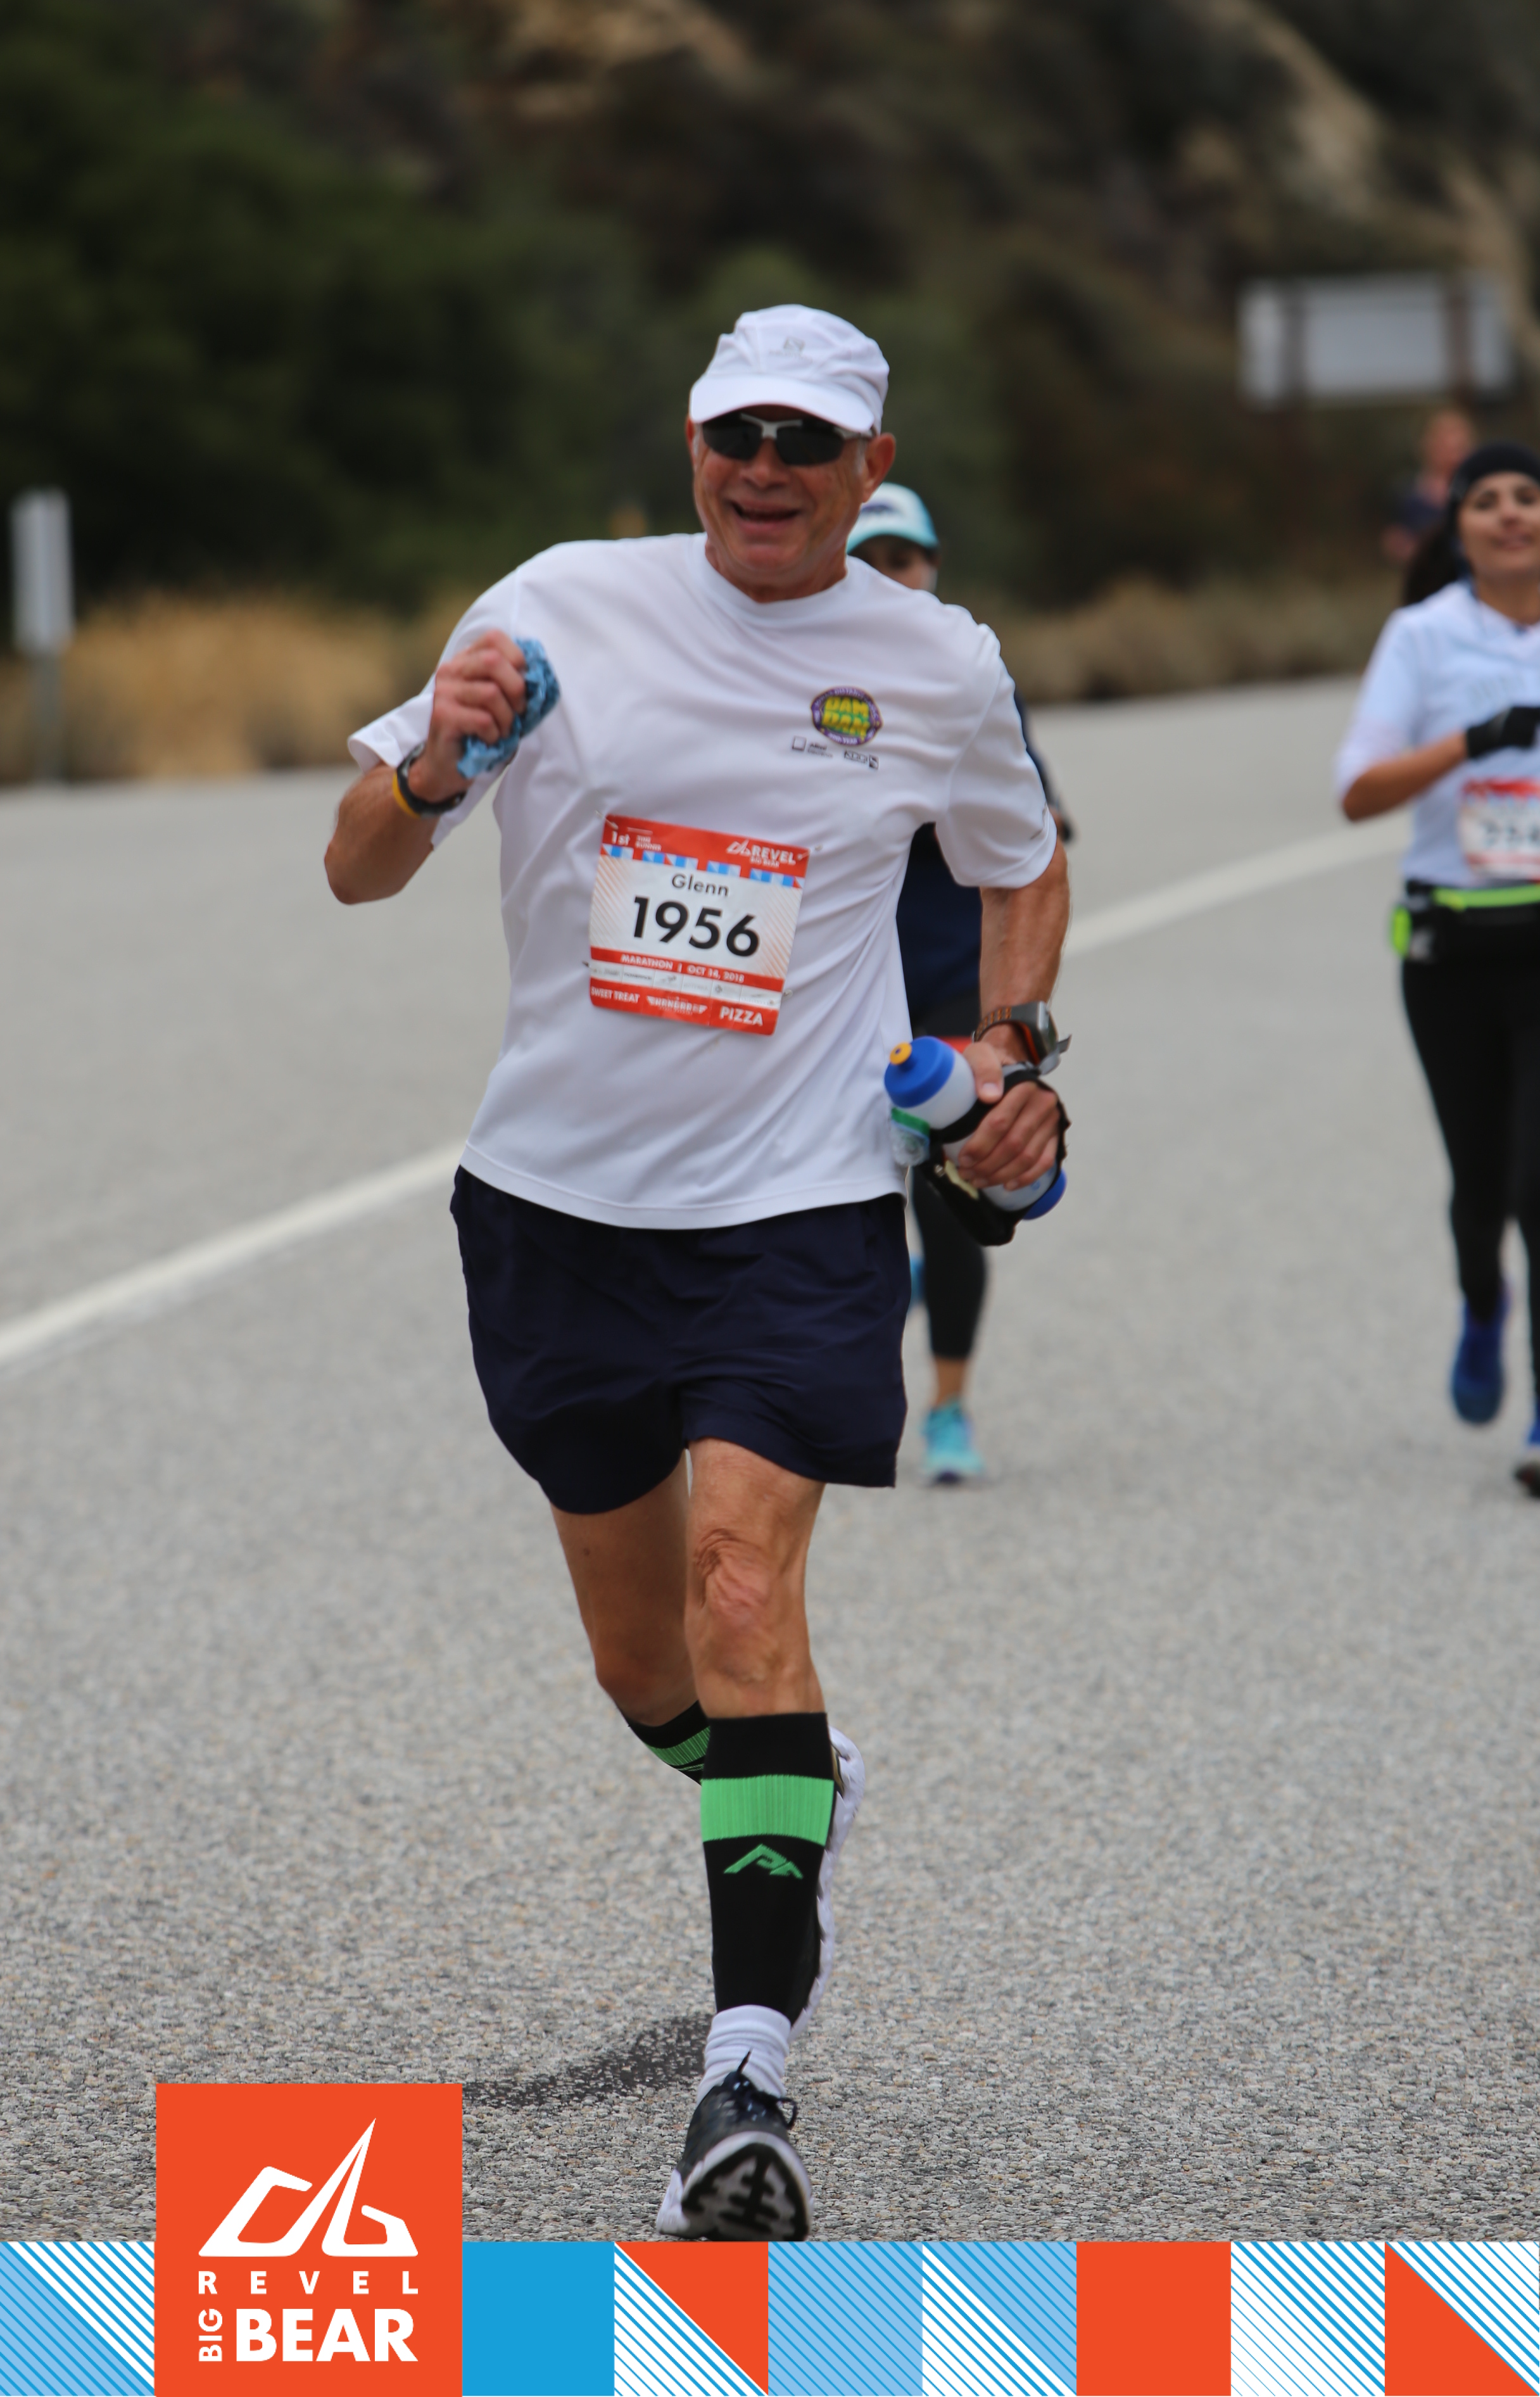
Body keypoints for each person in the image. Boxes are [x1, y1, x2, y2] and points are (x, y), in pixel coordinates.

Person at [324, 303, 1070, 2236]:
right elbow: (356, 864)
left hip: (799, 1204)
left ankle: (745, 2085)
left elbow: (1020, 853)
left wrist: (1007, 1051)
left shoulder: (934, 661)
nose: (767, 469)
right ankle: (790, 1775)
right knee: (650, 1666)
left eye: (809, 444)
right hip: (554, 1207)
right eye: (740, 433)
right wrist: (435, 767)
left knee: (746, 1587)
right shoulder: (561, 605)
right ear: (690, 441)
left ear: (868, 469)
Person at [847, 482, 1073, 1483]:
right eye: (867, 559)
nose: (887, 575)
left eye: (903, 558)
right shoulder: (789, 674)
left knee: (949, 1202)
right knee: (844, 1203)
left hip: (944, 985)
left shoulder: (961, 672)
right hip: (839, 994)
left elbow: (1031, 823)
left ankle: (947, 1409)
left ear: (933, 567)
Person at [1338, 439, 1540, 1496]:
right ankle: (1481, 1302)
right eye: (1486, 500)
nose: (1510, 514)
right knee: (1482, 1186)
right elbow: (1357, 790)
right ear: (1455, 527)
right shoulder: (1421, 636)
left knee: (1538, 1181)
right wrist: (1475, 740)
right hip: (1449, 948)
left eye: (1528, 497)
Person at [1382, 408, 1477, 569]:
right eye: (1444, 446)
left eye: (1459, 447)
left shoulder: (1480, 492)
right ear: (1427, 446)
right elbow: (1393, 540)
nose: (1452, 455)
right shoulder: (1406, 493)